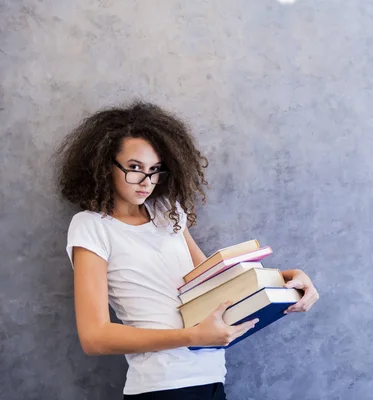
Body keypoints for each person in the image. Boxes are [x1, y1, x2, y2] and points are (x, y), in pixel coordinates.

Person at [55, 101, 319, 399]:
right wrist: (192, 336)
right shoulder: (91, 227)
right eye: (134, 168)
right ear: (105, 167)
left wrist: (288, 278)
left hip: (212, 377)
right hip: (160, 386)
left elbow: (214, 284)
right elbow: (95, 337)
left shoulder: (169, 211)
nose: (147, 182)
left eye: (155, 170)